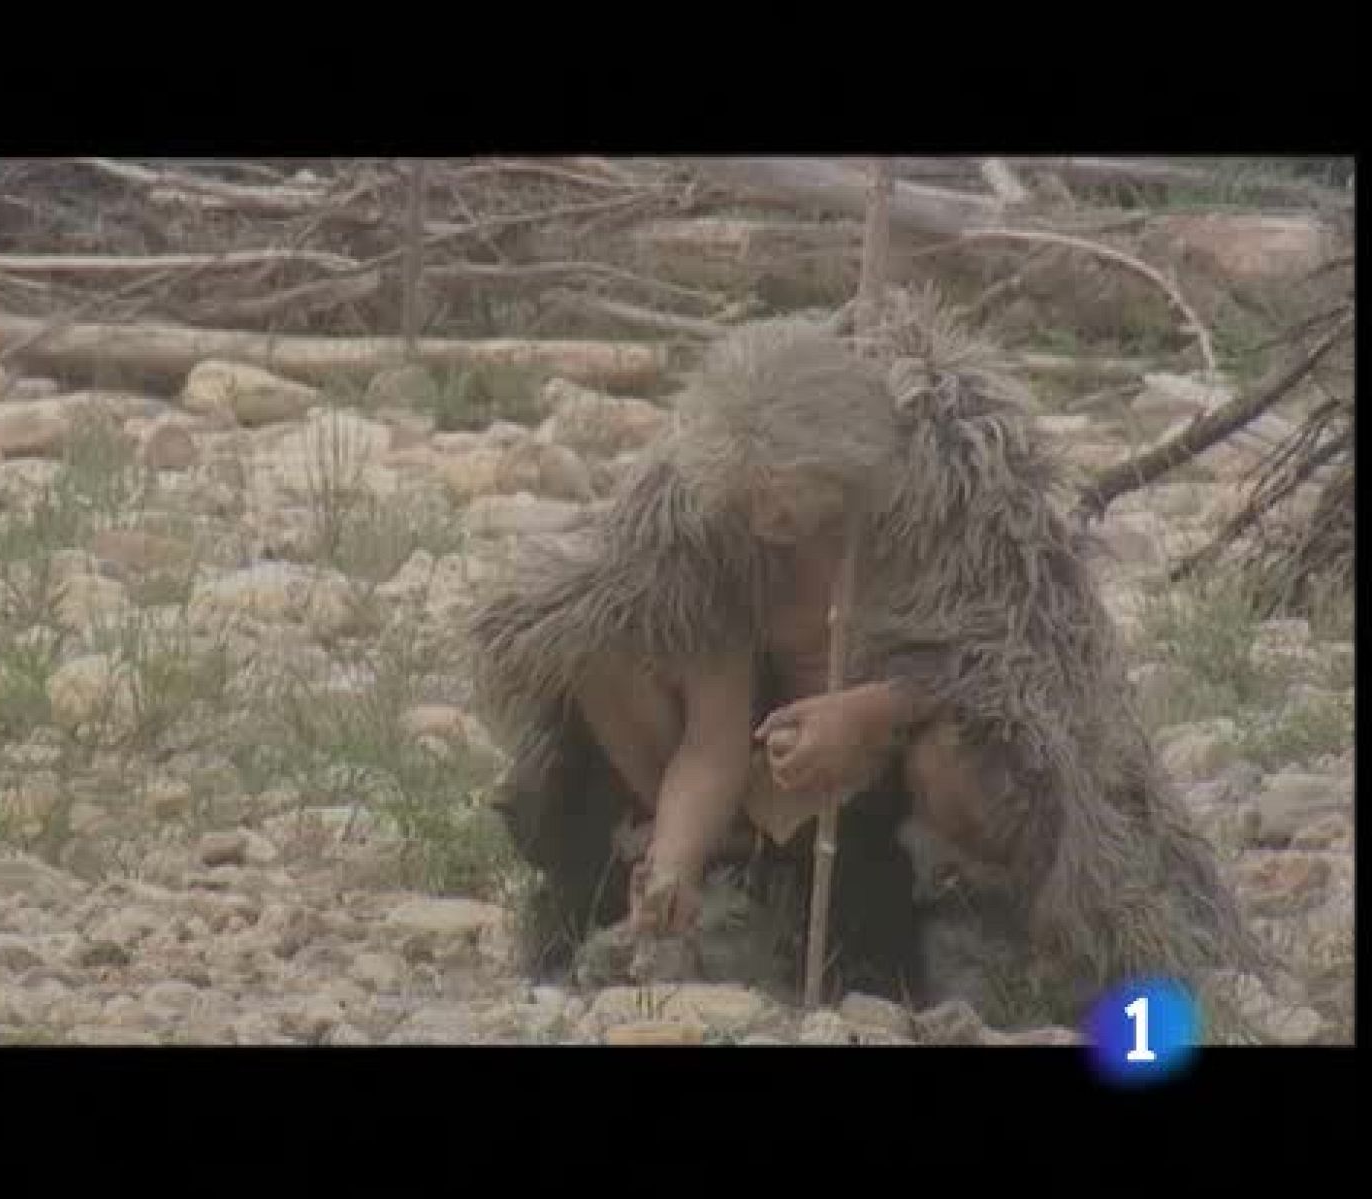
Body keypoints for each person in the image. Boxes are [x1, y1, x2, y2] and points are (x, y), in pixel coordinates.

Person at [469, 290, 1262, 1023]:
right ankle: (726, 906)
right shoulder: (720, 546)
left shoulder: (942, 508)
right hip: (783, 814)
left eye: (787, 489)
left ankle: (988, 944)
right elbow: (710, 741)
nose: (771, 515)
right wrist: (675, 861)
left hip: (920, 786)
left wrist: (866, 713)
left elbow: (1013, 668)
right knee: (602, 653)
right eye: (751, 496)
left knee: (960, 756)